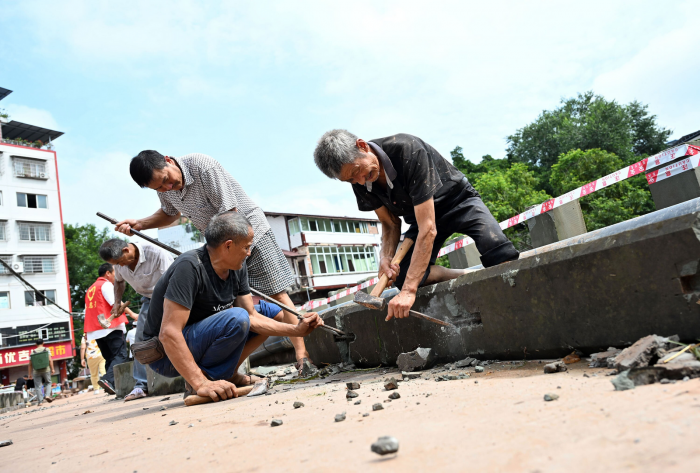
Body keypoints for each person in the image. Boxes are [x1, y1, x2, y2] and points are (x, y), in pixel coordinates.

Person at [114, 150, 316, 374]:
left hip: (248, 234)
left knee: (277, 293)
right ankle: (229, 371)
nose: (167, 189)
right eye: (159, 189)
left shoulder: (202, 166)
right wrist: (140, 224)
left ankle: (301, 355)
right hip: (222, 249)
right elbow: (169, 213)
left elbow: (230, 214)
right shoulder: (167, 191)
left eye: (165, 181)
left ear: (168, 161)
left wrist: (231, 251)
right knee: (233, 310)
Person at [313, 130, 520, 321]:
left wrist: (409, 292)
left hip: (458, 202)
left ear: (362, 146)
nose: (359, 180)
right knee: (403, 277)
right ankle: (470, 275)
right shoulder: (359, 180)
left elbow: (428, 228)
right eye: (350, 180)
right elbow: (390, 222)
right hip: (417, 218)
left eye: (358, 171)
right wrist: (385, 257)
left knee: (499, 251)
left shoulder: (407, 149)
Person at [143, 211, 323, 401]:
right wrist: (200, 383)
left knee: (269, 314)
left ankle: (227, 374)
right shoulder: (190, 267)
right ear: (228, 245)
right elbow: (168, 333)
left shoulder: (237, 266)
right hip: (164, 355)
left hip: (198, 338)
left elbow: (251, 316)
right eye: (246, 247)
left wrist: (296, 329)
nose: (249, 252)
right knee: (236, 318)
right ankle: (204, 379)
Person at [98, 238, 174, 402]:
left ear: (126, 250)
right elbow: (118, 282)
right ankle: (141, 385)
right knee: (139, 340)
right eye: (116, 264)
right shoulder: (119, 264)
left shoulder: (155, 253)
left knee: (174, 331)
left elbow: (173, 280)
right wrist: (117, 302)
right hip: (148, 299)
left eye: (120, 261)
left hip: (172, 295)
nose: (120, 266)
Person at [84, 263, 137, 395]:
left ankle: (112, 386)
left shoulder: (91, 289)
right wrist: (132, 314)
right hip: (111, 327)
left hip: (96, 329)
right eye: (114, 273)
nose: (115, 276)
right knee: (120, 355)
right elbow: (116, 304)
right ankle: (108, 380)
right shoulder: (106, 285)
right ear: (108, 273)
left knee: (110, 358)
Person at [28, 339, 54, 405]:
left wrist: (29, 374)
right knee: (48, 382)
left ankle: (40, 402)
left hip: (36, 371)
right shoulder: (46, 349)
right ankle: (47, 395)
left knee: (38, 386)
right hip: (46, 370)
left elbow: (30, 364)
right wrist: (52, 369)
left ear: (35, 344)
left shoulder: (33, 352)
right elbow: (50, 360)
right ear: (43, 343)